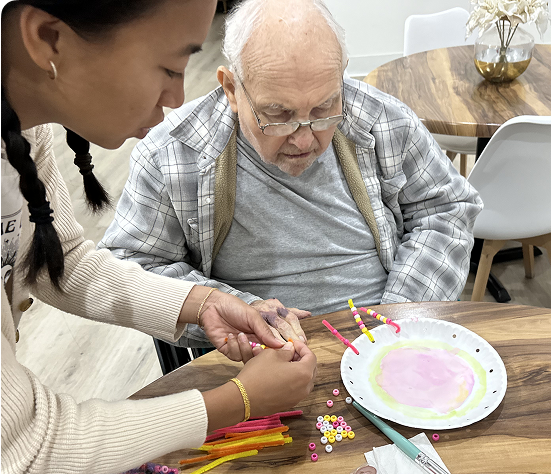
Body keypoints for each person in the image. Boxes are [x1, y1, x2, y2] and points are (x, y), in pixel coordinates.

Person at [1, 0, 317, 474]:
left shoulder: (24, 129)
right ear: (48, 39)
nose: (177, 97)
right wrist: (238, 401)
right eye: (169, 68)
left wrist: (202, 302)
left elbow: (61, 260)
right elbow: (23, 444)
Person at [99, 0, 483, 350]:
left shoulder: (383, 119)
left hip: (386, 339)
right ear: (231, 89)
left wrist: (394, 322)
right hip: (255, 361)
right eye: (278, 115)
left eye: (324, 109)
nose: (304, 139)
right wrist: (239, 312)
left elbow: (446, 209)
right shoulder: (171, 154)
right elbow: (132, 266)